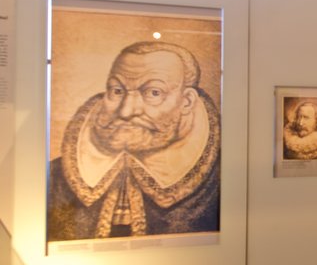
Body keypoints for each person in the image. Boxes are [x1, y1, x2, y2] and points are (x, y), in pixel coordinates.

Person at [47, 41, 220, 241]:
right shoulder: (56, 176)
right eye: (117, 91)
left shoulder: (220, 180)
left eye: (154, 93)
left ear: (186, 101)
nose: (127, 111)